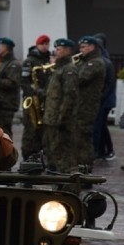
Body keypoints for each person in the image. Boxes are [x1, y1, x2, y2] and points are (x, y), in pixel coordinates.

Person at [41, 38, 78, 172]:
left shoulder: (69, 70)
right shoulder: (58, 69)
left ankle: (67, 183)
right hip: (51, 117)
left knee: (62, 152)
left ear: (68, 51)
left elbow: (69, 97)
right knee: (51, 149)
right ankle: (55, 176)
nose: (56, 52)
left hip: (59, 119)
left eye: (59, 49)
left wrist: (62, 118)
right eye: (56, 49)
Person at [71, 35, 107, 172]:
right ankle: (78, 168)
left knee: (84, 140)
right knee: (77, 138)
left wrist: (68, 68)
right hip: (79, 106)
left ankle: (85, 169)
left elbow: (80, 78)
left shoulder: (95, 62)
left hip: (87, 107)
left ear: (92, 47)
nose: (81, 50)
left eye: (83, 47)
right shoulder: (84, 61)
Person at [21, 34, 52, 159]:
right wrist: (35, 93)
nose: (45, 47)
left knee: (41, 129)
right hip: (32, 99)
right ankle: (27, 154)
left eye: (47, 44)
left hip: (44, 98)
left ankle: (39, 152)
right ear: (37, 45)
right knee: (30, 129)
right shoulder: (29, 61)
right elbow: (24, 81)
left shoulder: (48, 59)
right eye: (42, 44)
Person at [0, 37, 22, 137]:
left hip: (7, 104)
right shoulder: (3, 62)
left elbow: (12, 83)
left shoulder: (14, 65)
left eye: (0, 46)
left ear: (6, 48)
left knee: (5, 132)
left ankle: (8, 152)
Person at [92, 32, 116, 162]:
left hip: (104, 100)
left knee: (100, 125)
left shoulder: (105, 61)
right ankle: (103, 150)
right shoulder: (104, 58)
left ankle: (105, 149)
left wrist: (101, 97)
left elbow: (110, 83)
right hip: (104, 99)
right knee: (101, 125)